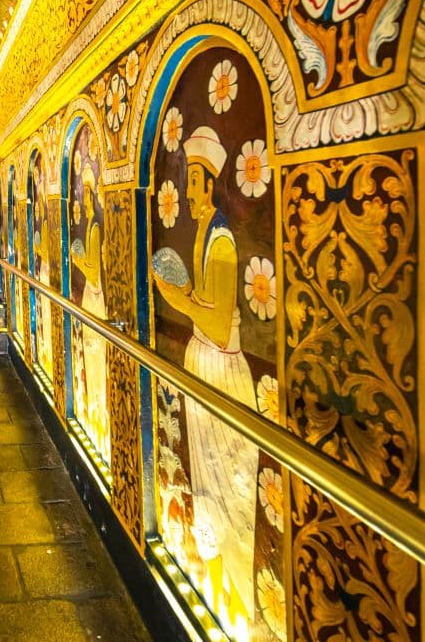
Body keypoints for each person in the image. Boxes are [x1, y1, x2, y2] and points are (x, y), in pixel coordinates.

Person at [153, 126, 257, 634]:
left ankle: (238, 600)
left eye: (195, 180)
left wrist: (175, 300)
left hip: (220, 362)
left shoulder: (220, 237)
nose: (189, 189)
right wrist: (184, 296)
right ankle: (219, 589)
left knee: (229, 487)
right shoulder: (202, 231)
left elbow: (218, 320)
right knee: (209, 484)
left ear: (211, 183)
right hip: (202, 360)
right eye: (187, 179)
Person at [69, 165, 108, 461]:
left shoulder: (95, 226)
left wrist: (75, 259)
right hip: (90, 299)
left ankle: (100, 422)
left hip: (95, 299)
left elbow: (94, 273)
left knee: (97, 358)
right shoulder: (92, 223)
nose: (80, 200)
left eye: (83, 195)